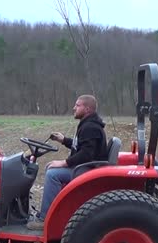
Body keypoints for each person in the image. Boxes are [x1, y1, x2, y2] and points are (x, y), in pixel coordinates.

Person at [26, 94, 108, 230]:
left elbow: (87, 154)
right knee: (50, 168)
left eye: (77, 105)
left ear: (87, 109)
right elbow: (80, 146)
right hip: (86, 167)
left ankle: (45, 220)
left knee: (53, 174)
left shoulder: (90, 127)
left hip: (87, 170)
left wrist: (64, 162)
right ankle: (56, 211)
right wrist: (63, 140)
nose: (73, 108)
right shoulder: (88, 124)